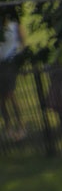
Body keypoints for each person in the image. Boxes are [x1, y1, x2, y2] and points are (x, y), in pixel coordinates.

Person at [0, 10, 27, 141]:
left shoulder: (14, 25)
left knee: (10, 94)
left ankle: (20, 125)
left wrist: (23, 57)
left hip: (10, 62)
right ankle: (8, 127)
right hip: (1, 62)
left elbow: (22, 41)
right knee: (3, 99)